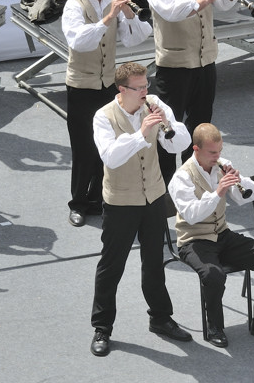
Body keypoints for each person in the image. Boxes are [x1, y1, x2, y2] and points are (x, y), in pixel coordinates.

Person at [89, 62, 191, 357]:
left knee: (153, 260)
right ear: (122, 90)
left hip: (154, 196)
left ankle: (160, 317)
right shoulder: (103, 116)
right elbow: (111, 157)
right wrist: (141, 133)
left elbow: (176, 147)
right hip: (121, 201)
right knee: (111, 266)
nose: (147, 92)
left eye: (147, 86)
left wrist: (169, 129)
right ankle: (102, 327)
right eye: (140, 88)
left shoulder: (154, 104)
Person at [169, 123, 254, 348]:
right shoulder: (182, 178)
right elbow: (192, 215)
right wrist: (217, 192)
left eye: (220, 151)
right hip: (194, 240)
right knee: (213, 274)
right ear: (196, 149)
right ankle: (215, 326)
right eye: (212, 153)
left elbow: (247, 196)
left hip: (222, 234)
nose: (218, 157)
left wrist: (239, 182)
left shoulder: (222, 165)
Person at [143, 0, 237, 184]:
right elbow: (170, 11)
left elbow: (225, 7)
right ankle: (164, 185)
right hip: (174, 65)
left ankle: (192, 180)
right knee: (168, 129)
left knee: (198, 128)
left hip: (205, 61)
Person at [62, 0, 151, 227]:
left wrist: (127, 13)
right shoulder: (74, 6)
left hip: (107, 85)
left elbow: (136, 38)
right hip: (81, 85)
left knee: (107, 145)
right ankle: (77, 203)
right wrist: (107, 17)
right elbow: (79, 42)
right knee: (83, 148)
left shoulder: (112, 1)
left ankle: (97, 198)